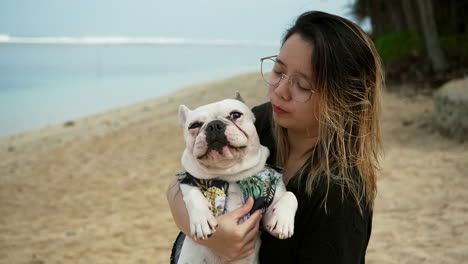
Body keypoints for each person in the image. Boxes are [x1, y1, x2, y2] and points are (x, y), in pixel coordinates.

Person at [166, 11, 383, 263]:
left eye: (301, 85)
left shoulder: (339, 199)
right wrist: (214, 237)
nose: (280, 91)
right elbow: (180, 182)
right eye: (278, 71)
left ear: (344, 100)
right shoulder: (264, 122)